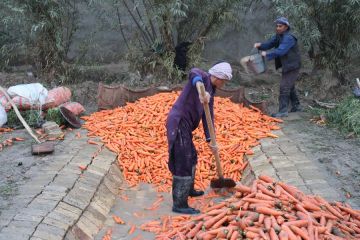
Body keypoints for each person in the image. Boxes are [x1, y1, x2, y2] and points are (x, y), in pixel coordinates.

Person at [166, 62, 232, 214]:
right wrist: (200, 89)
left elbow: (208, 117)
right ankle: (179, 204)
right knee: (183, 159)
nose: (224, 84)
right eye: (224, 80)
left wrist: (211, 140)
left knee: (192, 157)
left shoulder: (212, 91)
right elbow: (193, 72)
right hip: (178, 121)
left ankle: (188, 190)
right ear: (218, 76)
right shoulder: (202, 76)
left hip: (187, 126)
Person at [254, 17, 302, 117]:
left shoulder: (289, 38)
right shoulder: (279, 36)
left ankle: (283, 111)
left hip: (292, 66)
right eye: (277, 26)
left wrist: (266, 54)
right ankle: (297, 106)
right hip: (287, 65)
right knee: (290, 85)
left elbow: (281, 51)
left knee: (284, 86)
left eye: (280, 26)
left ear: (286, 27)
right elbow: (270, 44)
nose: (278, 28)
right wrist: (260, 46)